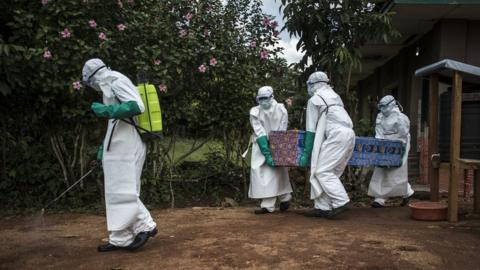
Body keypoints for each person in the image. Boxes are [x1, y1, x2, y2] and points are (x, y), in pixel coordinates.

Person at [81, 58, 157, 252]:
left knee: (126, 190)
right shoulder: (108, 86)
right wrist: (102, 152)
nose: (93, 87)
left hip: (128, 145)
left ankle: (146, 226)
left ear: (95, 76)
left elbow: (137, 106)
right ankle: (120, 238)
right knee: (114, 192)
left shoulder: (117, 80)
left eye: (91, 82)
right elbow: (113, 125)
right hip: (116, 146)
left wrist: (106, 110)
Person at [299, 71, 355, 218]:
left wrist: (306, 153)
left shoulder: (315, 100)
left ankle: (341, 201)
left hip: (336, 136)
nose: (308, 88)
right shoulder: (335, 98)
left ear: (313, 85)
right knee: (332, 172)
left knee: (322, 171)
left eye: (309, 85)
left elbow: (310, 130)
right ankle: (322, 207)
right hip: (348, 134)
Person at [249, 86, 293, 214]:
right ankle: (283, 198)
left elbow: (282, 129)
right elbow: (259, 131)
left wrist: (277, 148)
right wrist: (266, 152)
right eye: (260, 99)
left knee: (277, 171)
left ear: (272, 97)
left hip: (278, 142)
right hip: (261, 144)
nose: (263, 101)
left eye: (265, 98)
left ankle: (273, 203)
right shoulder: (255, 112)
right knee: (262, 172)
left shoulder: (281, 109)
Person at [368, 95, 414, 208]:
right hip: (384, 145)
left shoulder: (401, 117)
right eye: (381, 106)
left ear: (392, 105)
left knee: (395, 172)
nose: (383, 109)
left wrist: (397, 148)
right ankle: (379, 198)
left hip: (398, 144)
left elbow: (403, 134)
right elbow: (378, 132)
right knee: (381, 169)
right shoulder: (380, 117)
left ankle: (406, 193)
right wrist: (379, 145)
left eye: (385, 106)